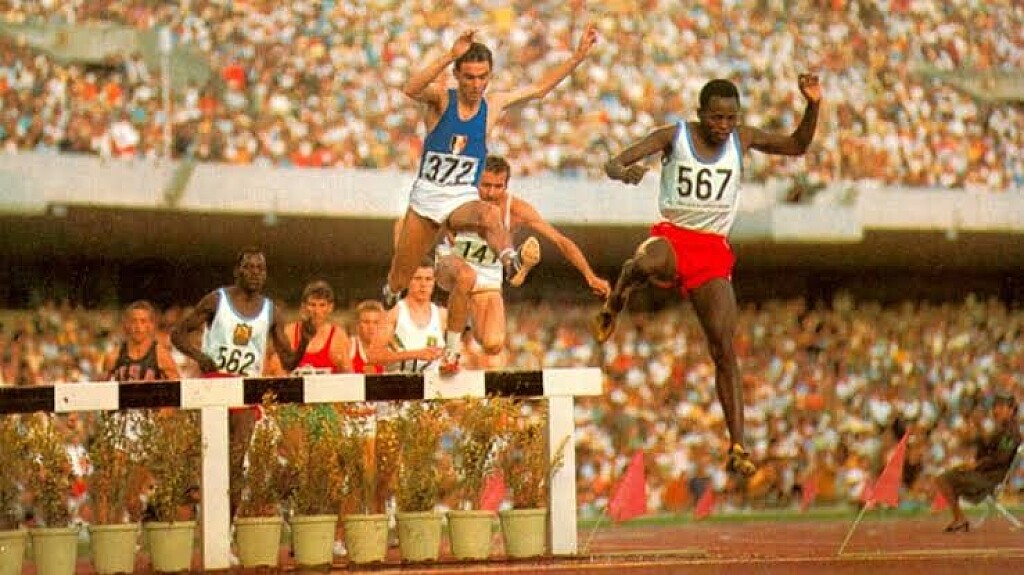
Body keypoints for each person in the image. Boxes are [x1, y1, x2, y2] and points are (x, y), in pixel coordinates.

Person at [595, 75, 822, 477]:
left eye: (731, 118)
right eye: (716, 118)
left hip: (712, 250)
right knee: (643, 264)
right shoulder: (674, 135)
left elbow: (797, 145)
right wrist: (624, 173)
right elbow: (614, 162)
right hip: (673, 236)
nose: (724, 126)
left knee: (723, 347)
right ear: (700, 114)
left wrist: (813, 104)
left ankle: (738, 444)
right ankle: (618, 297)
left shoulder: (742, 139)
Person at [382, 24, 599, 314]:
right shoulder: (442, 100)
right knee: (400, 278)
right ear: (457, 75)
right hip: (427, 199)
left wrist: (578, 56)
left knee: (490, 214)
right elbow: (411, 88)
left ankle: (511, 263)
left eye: (483, 77)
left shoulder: (493, 105)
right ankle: (391, 292)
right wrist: (449, 55)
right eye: (469, 77)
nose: (476, 84)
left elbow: (539, 89)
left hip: (461, 196)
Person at [170, 247, 314, 517]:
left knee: (235, 464)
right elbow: (177, 334)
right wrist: (200, 357)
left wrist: (304, 341)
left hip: (246, 390)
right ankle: (196, 521)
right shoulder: (217, 300)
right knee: (203, 458)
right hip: (213, 384)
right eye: (250, 267)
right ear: (238, 271)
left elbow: (288, 362)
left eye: (261, 268)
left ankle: (226, 526)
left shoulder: (271, 311)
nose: (256, 273)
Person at [435, 155, 611, 371]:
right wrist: (446, 227)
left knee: (493, 344)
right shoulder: (462, 196)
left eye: (498, 187)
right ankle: (451, 353)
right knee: (465, 276)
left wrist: (589, 275)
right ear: (475, 181)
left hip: (487, 273)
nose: (491, 193)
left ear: (506, 186)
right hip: (452, 261)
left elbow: (560, 240)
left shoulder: (517, 209)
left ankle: (468, 309)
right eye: (485, 185)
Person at [936, 392, 1022, 533]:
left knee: (943, 479)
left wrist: (975, 466)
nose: (996, 410)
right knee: (948, 476)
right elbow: (984, 450)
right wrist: (979, 431)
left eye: (1001, 407)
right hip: (985, 475)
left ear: (1011, 410)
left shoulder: (1011, 433)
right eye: (995, 406)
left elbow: (1000, 458)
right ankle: (959, 518)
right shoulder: (1002, 430)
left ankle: (959, 518)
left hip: (990, 480)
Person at [382, 263, 447, 373]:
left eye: (428, 279)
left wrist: (448, 363)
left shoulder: (442, 314)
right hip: (398, 380)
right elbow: (373, 355)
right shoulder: (394, 313)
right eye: (417, 279)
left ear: (434, 282)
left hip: (432, 381)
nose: (423, 284)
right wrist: (416, 354)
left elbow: (453, 353)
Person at [283, 280, 352, 375]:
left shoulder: (338, 336)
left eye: (322, 305)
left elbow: (349, 375)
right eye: (312, 305)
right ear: (303, 306)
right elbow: (277, 372)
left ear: (330, 307)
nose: (317, 311)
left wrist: (341, 365)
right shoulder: (290, 332)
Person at [103, 300, 180, 381]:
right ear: (127, 324)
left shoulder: (162, 356)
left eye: (143, 321)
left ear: (151, 325)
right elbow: (103, 386)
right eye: (134, 321)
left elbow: (177, 385)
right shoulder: (113, 357)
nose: (138, 326)